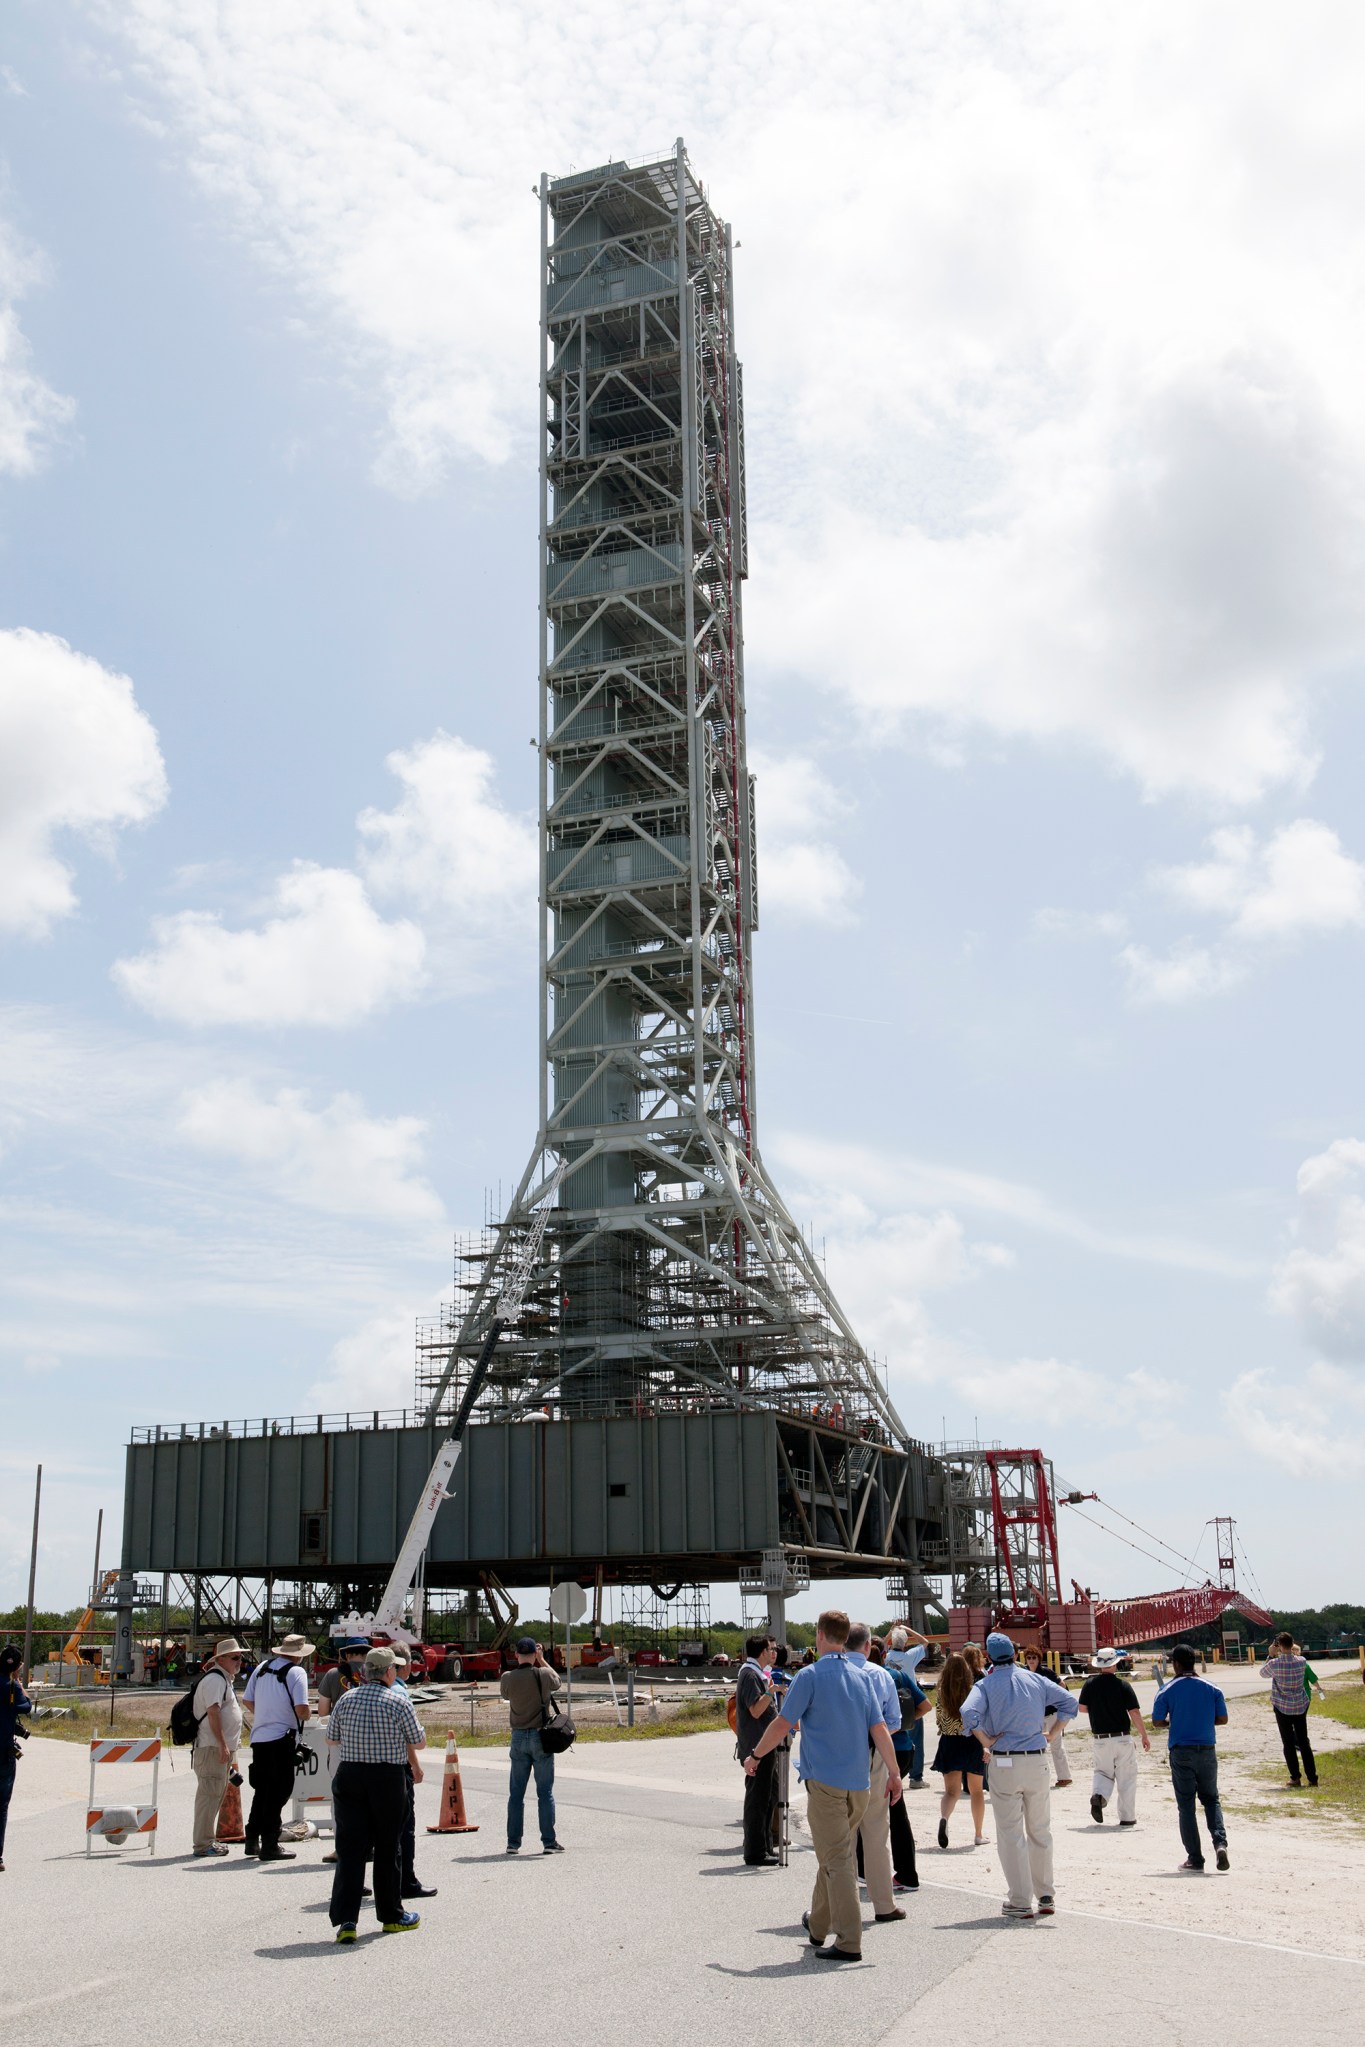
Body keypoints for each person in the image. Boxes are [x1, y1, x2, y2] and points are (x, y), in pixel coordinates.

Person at [744, 1608, 903, 1964]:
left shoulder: (810, 1676)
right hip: (859, 1785)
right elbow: (879, 1730)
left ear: (819, 1635)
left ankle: (849, 1940)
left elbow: (783, 1723)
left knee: (839, 1860)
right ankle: (818, 1925)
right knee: (834, 1854)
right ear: (846, 1638)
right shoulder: (864, 1677)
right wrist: (893, 1773)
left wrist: (754, 1755)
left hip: (827, 1784)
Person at [960, 1630, 1077, 1921]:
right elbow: (1069, 1704)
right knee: (1040, 1829)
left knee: (1011, 1833)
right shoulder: (1035, 1679)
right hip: (1036, 1759)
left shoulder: (985, 1685)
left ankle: (1020, 1899)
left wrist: (985, 1740)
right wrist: (1052, 1732)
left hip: (1004, 1761)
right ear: (1015, 1654)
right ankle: (1046, 1894)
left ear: (988, 1657)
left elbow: (967, 1711)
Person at [326, 1646, 425, 1942]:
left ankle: (346, 1920)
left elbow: (332, 1738)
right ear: (389, 1672)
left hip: (351, 1774)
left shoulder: (346, 1699)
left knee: (351, 1849)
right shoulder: (397, 1701)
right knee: (387, 1846)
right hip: (386, 1776)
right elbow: (418, 1742)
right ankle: (391, 1915)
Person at [1150, 1642, 1230, 1873]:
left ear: (1175, 1664)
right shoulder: (1212, 1688)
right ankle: (1220, 1843)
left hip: (1181, 1750)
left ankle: (1195, 1858)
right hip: (1206, 1749)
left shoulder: (1166, 1690)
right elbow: (1223, 1719)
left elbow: (1157, 1721)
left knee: (1186, 1806)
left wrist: (1173, 1722)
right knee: (1211, 1800)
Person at [845, 1622, 906, 1924]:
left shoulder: (834, 1674)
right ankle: (883, 1904)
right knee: (876, 1832)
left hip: (841, 1758)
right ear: (869, 1646)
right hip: (875, 1755)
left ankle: (841, 1905)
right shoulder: (881, 1675)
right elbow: (893, 1722)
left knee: (843, 1834)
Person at [242, 1632, 314, 1861]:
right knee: (279, 1792)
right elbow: (302, 1709)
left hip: (260, 1737)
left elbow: (247, 1700)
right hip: (282, 1738)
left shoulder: (262, 1667)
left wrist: (266, 1715)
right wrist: (307, 1714)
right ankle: (270, 1843)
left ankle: (252, 1838)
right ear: (299, 1655)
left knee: (262, 1790)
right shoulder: (296, 1672)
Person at [499, 1635, 564, 1854]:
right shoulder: (543, 1674)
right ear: (534, 1654)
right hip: (540, 1737)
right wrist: (542, 1660)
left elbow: (505, 1695)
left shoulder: (507, 1678)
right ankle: (548, 1841)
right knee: (544, 1792)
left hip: (518, 1737)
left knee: (516, 1794)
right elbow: (558, 1681)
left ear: (516, 1654)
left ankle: (513, 1843)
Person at [1078, 1647, 1149, 1824]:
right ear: (1115, 1663)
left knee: (1102, 1772)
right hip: (1122, 1737)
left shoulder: (1089, 1685)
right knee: (1126, 1778)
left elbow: (1082, 1708)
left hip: (1100, 1739)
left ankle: (1099, 1796)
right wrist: (1144, 1735)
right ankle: (1127, 1818)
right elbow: (1134, 1712)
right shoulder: (1123, 1685)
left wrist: (1098, 1710)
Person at [190, 1639, 245, 1857]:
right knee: (209, 1796)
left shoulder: (224, 1680)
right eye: (235, 1657)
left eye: (240, 1657)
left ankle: (207, 1841)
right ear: (220, 1659)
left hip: (218, 1748)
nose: (239, 1661)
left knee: (214, 1796)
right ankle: (203, 1845)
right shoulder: (215, 1680)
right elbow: (213, 1713)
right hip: (212, 1747)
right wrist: (223, 1744)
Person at [389, 1646, 437, 1898]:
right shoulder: (400, 1694)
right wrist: (415, 1766)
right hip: (397, 1769)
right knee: (405, 1828)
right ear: (406, 1666)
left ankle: (387, 1881)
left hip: (368, 1770)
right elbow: (410, 1738)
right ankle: (406, 1882)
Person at [932, 1651, 988, 1849]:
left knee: (951, 1792)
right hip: (971, 1742)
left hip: (949, 1742)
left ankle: (945, 1818)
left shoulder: (941, 1692)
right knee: (977, 1792)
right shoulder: (974, 1690)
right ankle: (978, 1834)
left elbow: (939, 1719)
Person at [885, 1655, 930, 1890]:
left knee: (867, 1812)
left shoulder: (872, 1677)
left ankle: (863, 1868)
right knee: (897, 1811)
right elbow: (926, 1705)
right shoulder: (899, 1676)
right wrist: (903, 1724)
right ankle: (906, 1872)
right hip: (903, 1749)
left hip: (880, 1752)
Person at [735, 1634, 780, 1866]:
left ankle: (764, 1845)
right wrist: (770, 1692)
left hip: (764, 1744)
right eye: (771, 1648)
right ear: (762, 1651)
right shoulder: (751, 1674)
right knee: (758, 1798)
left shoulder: (755, 1673)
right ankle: (754, 1851)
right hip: (756, 1746)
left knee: (770, 1793)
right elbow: (754, 1709)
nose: (774, 1652)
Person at [1259, 1632, 1318, 1788]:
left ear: (1278, 1646)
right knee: (1304, 1742)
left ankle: (1295, 1777)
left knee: (1288, 1743)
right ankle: (1312, 1778)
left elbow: (1262, 1673)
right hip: (1300, 1704)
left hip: (1282, 1706)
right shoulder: (1302, 1661)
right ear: (1293, 1644)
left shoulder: (1275, 1663)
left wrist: (1271, 1655)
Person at [0, 1644, 32, 1874]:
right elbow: (26, 1707)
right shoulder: (12, 1686)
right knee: (1, 1807)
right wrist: (17, 1680)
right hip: (3, 1754)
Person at [884, 1627, 929, 1787]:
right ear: (905, 1643)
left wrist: (890, 1633)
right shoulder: (910, 1656)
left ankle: (891, 1772)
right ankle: (915, 1777)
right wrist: (909, 1630)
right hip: (909, 1701)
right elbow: (925, 1642)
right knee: (916, 1739)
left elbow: (878, 1645)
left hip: (891, 1701)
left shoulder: (887, 1656)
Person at [1023, 1647, 1074, 1786]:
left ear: (1039, 1659)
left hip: (1051, 1713)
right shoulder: (1024, 1674)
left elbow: (1062, 1686)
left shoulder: (1047, 1672)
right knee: (1034, 1746)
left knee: (1056, 1745)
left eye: (1034, 1657)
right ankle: (1037, 1778)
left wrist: (1056, 1701)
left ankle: (1064, 1777)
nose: (1032, 1660)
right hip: (1035, 1715)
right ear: (1026, 1659)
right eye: (1029, 1658)